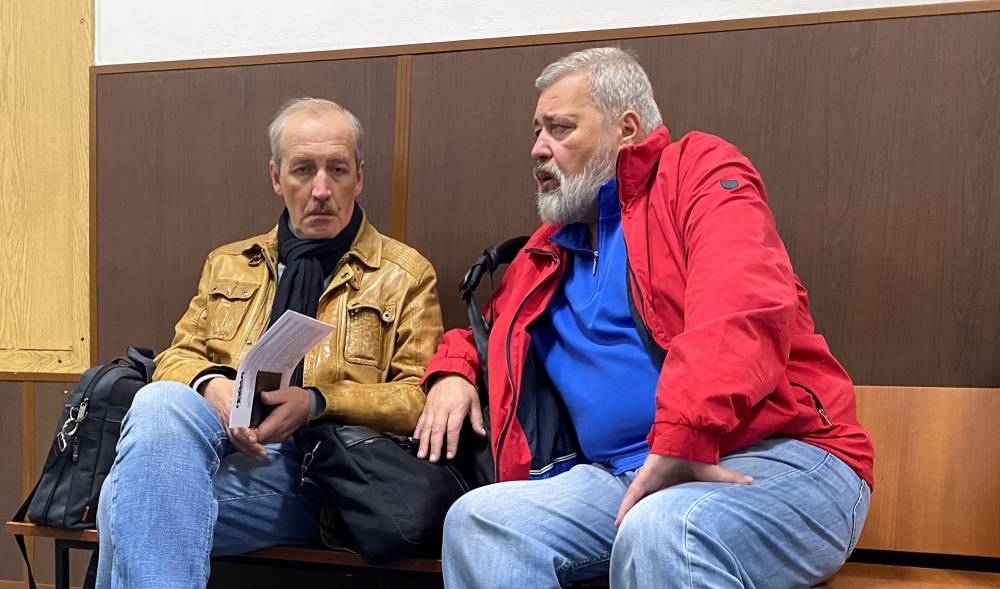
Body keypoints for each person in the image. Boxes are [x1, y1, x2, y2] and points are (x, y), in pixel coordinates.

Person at [414, 47, 874, 588]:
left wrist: (682, 436)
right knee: (481, 520)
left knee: (665, 528)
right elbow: (490, 332)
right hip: (625, 477)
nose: (538, 149)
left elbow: (740, 302)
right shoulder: (546, 252)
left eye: (560, 129)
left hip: (782, 459)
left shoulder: (698, 173)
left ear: (625, 129)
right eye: (537, 130)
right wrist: (452, 372)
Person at [96, 98, 444, 588]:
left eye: (337, 170)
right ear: (277, 178)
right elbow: (177, 355)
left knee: (122, 499)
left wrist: (318, 401)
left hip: (320, 471)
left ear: (359, 177)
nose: (321, 189)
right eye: (303, 170)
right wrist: (210, 385)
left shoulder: (404, 274)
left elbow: (417, 397)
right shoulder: (230, 263)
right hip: (217, 446)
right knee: (161, 398)